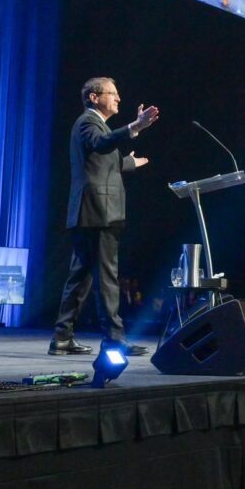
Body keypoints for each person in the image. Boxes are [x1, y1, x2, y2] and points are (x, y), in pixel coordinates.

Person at [50, 78, 159, 356]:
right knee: (107, 277)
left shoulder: (96, 125)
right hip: (99, 212)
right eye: (113, 93)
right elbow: (100, 144)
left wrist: (129, 162)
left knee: (80, 277)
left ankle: (62, 338)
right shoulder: (89, 122)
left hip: (91, 212)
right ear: (94, 97)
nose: (119, 98)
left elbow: (101, 160)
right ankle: (114, 339)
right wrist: (134, 127)